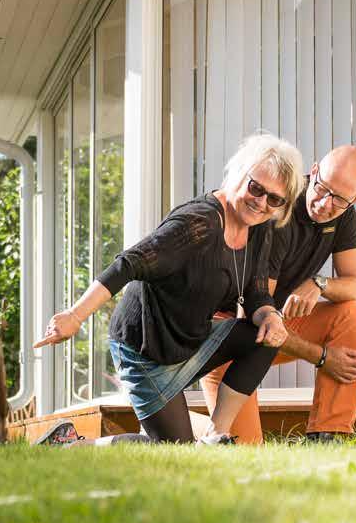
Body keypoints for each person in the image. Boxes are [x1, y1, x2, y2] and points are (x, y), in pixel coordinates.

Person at [34, 133, 304, 445]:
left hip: (191, 340)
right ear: (238, 173)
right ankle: (70, 445)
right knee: (172, 451)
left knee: (266, 338)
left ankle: (216, 436)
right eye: (256, 188)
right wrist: (75, 315)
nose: (261, 202)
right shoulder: (198, 223)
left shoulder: (259, 228)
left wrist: (269, 315)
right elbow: (129, 263)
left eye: (275, 199)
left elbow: (257, 291)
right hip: (146, 348)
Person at [201, 145, 356, 442]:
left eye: (340, 199)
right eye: (322, 188)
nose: (325, 204)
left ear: (355, 199)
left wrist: (319, 283)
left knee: (354, 314)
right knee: (242, 452)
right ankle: (182, 427)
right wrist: (322, 357)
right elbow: (256, 320)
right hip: (230, 336)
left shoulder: (343, 214)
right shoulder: (278, 208)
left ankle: (328, 436)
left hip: (273, 327)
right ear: (314, 170)